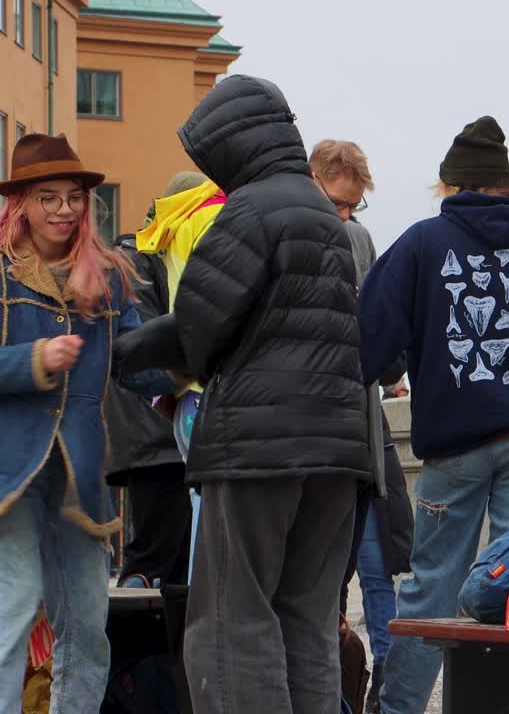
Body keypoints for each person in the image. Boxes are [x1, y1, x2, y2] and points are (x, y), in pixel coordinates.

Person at [357, 115, 509, 714]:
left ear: (450, 186)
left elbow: (367, 340)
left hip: (454, 445)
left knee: (429, 590)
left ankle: (400, 710)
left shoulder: (421, 244)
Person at [173, 75, 371, 714]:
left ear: (235, 145)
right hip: (337, 452)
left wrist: (139, 352)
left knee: (235, 625)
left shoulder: (251, 210)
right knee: (307, 625)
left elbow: (198, 328)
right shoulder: (325, 218)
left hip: (258, 449)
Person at [0, 133, 175, 712]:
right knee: (16, 604)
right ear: (22, 202)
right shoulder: (1, 274)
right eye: (47, 197)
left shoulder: (110, 276)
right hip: (11, 470)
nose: (63, 209)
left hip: (80, 477)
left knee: (88, 621)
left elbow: (134, 365)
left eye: (73, 196)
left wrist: (184, 367)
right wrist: (33, 361)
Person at [309, 139, 412, 714]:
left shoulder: (358, 240)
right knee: (331, 577)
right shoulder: (313, 233)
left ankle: (379, 688)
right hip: (334, 430)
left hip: (361, 430)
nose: (345, 216)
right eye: (339, 203)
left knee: (371, 569)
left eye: (353, 207)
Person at [106, 170, 210, 589]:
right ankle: (144, 653)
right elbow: (154, 342)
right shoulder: (144, 258)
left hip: (153, 433)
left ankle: (164, 652)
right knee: (154, 557)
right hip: (155, 435)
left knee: (169, 555)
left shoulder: (141, 253)